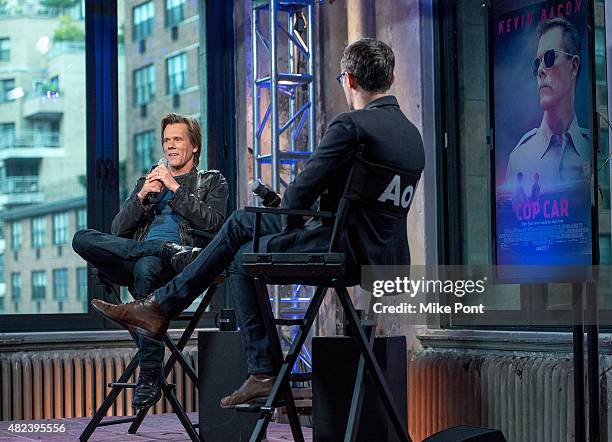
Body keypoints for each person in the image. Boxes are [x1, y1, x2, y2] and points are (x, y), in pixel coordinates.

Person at [90, 39, 425, 408]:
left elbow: (298, 198)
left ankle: (199, 332)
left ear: (348, 79)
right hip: (384, 257)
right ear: (391, 77)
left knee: (238, 234)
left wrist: (289, 215)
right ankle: (171, 316)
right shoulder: (412, 136)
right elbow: (362, 201)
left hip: (341, 251)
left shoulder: (351, 126)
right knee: (242, 238)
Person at [72, 113, 228, 409]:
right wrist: (141, 197)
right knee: (81, 237)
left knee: (147, 267)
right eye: (166, 140)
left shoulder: (212, 180)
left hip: (180, 266)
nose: (170, 146)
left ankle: (150, 374)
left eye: (177, 139)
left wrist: (175, 188)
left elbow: (214, 225)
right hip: (141, 256)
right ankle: (162, 248)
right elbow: (118, 232)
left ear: (194, 146)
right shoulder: (148, 182)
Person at [505, 17, 591, 192]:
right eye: (538, 63)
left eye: (550, 57)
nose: (541, 70)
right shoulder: (519, 158)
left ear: (573, 67)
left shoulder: (593, 148)